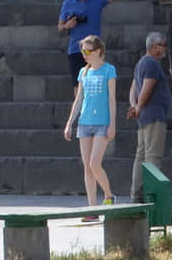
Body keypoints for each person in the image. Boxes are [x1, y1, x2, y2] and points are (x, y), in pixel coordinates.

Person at [64, 34, 118, 219]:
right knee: (87, 167)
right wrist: (70, 123)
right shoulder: (83, 72)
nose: (84, 54)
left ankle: (109, 194)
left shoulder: (109, 70)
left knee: (95, 163)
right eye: (83, 51)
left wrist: (112, 124)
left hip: (102, 123)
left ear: (98, 51)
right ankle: (92, 209)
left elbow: (112, 99)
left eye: (87, 51)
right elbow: (79, 99)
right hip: (85, 123)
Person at [58, 0, 138, 74]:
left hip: (94, 50)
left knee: (95, 82)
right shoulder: (68, 3)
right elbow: (59, 28)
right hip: (76, 50)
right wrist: (66, 26)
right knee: (79, 84)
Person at [127, 31, 170, 201]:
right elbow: (146, 87)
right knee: (153, 157)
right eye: (163, 45)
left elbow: (133, 88)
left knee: (141, 157)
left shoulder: (140, 63)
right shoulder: (152, 63)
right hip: (153, 116)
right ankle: (152, 196)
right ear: (154, 47)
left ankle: (136, 195)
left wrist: (135, 106)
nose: (165, 49)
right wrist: (138, 107)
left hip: (143, 116)